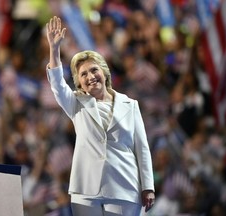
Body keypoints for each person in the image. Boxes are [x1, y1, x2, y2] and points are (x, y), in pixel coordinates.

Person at [45, 16, 155, 216]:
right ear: (79, 83)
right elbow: (58, 85)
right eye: (83, 74)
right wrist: (54, 50)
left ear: (104, 73)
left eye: (94, 70)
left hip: (124, 186)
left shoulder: (130, 106)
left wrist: (148, 185)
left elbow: (142, 148)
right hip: (86, 189)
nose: (90, 76)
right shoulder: (76, 103)